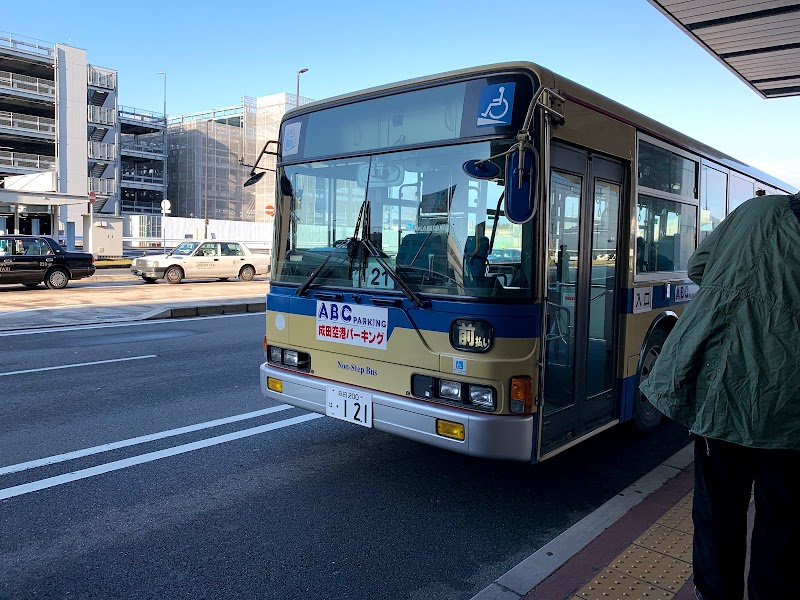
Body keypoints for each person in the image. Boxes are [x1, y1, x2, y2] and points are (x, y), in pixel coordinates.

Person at [639, 191, 800, 600]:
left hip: (719, 387)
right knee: (781, 519)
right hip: (786, 405)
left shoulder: (756, 210)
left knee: (716, 511)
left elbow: (698, 265)